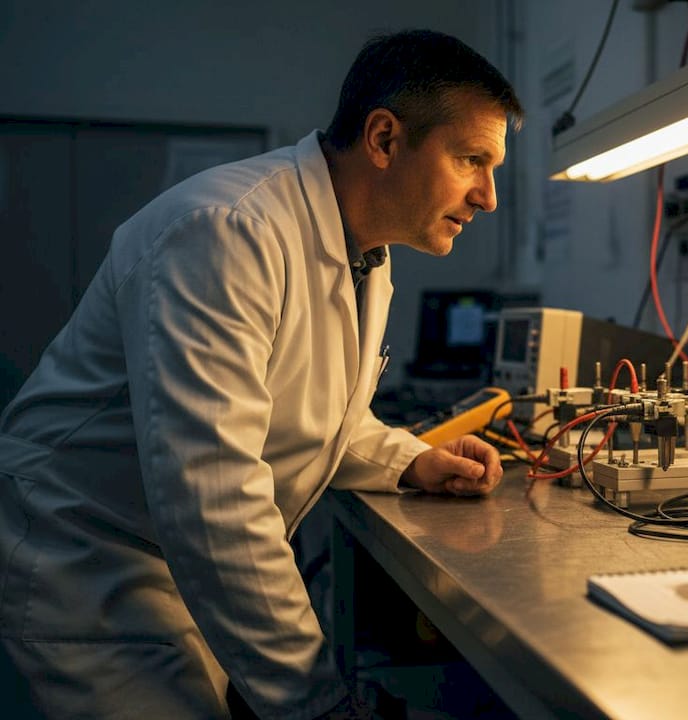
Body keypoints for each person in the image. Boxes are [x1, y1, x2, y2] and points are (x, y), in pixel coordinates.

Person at [0, 29, 523, 719]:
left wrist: (410, 460)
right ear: (386, 140)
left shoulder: (360, 250)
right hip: (87, 569)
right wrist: (317, 703)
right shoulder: (226, 231)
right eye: (470, 160)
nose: (487, 195)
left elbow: (312, 411)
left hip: (167, 566)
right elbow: (213, 495)